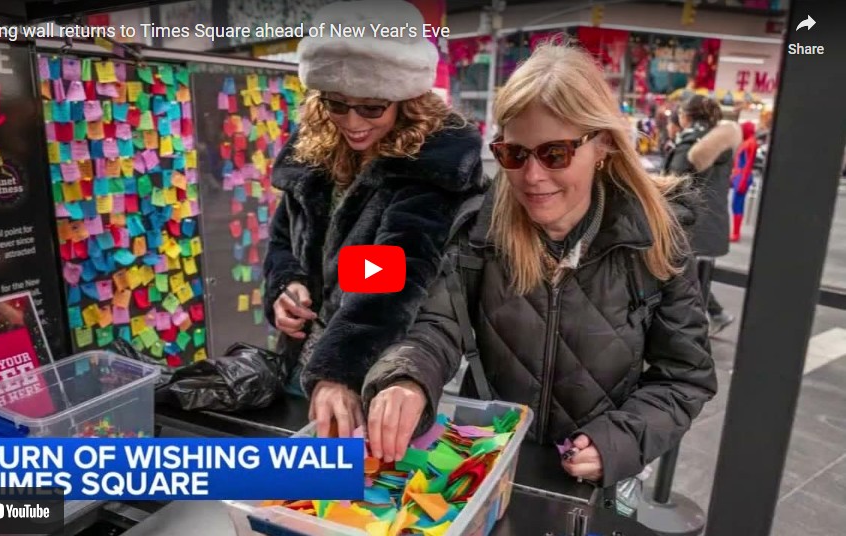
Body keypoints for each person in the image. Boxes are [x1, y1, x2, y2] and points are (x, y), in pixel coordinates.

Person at [361, 43, 717, 507]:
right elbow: (436, 326)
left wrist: (620, 441)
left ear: (603, 144)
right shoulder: (479, 232)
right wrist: (407, 378)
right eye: (513, 154)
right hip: (483, 465)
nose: (531, 176)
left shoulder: (655, 243)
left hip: (591, 486)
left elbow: (685, 375)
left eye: (555, 153)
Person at [263, 0, 486, 439]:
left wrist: (340, 370)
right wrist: (286, 286)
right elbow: (283, 239)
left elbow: (393, 270)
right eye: (337, 104)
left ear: (407, 102)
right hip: (300, 364)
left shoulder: (429, 165)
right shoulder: (313, 152)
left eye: (372, 108)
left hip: (374, 373)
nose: (352, 122)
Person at [664, 95, 742, 334]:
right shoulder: (718, 142)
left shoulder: (690, 143)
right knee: (697, 277)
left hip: (690, 222)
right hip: (713, 221)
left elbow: (671, 184)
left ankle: (694, 327)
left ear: (685, 116)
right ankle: (713, 315)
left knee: (682, 278)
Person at [730, 122, 758, 242]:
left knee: (737, 204)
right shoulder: (748, 142)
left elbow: (748, 164)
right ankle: (735, 232)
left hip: (742, 177)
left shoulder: (751, 143)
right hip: (739, 176)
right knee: (735, 204)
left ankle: (736, 233)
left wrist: (743, 179)